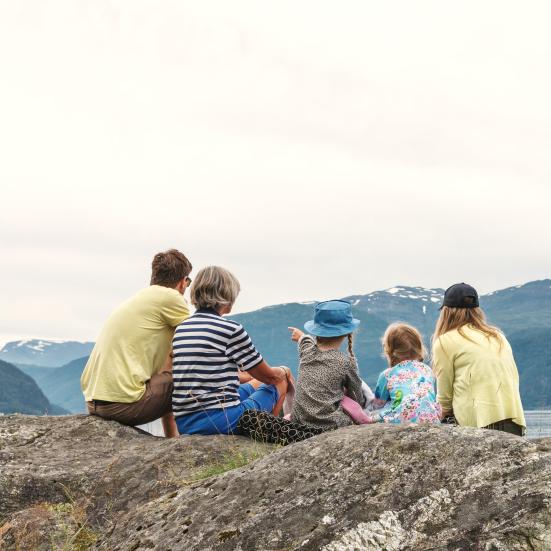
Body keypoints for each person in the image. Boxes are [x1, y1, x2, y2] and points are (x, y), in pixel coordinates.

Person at [81, 249, 192, 437]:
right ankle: (195, 440)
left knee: (172, 370)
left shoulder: (141, 298)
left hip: (94, 403)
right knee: (188, 377)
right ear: (182, 281)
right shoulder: (171, 298)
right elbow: (201, 338)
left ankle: (173, 439)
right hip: (123, 405)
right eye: (188, 282)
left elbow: (169, 364)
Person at [172, 266, 292, 436]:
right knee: (280, 379)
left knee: (256, 383)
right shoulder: (230, 329)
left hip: (185, 422)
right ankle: (269, 438)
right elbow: (269, 376)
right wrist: (284, 371)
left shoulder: (182, 328)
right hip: (221, 420)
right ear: (227, 296)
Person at [432, 282, 526, 436]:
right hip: (513, 421)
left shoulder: (445, 341)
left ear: (446, 312)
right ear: (476, 310)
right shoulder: (498, 336)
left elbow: (445, 399)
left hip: (477, 423)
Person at [288, 300, 366, 430]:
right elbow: (357, 396)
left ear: (316, 330)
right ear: (347, 332)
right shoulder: (346, 362)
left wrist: (300, 335)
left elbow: (305, 340)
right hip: (330, 425)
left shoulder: (307, 351)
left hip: (298, 421)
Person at [367, 323, 441, 424]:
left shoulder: (387, 375)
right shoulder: (427, 370)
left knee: (381, 409)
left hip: (400, 421)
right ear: (419, 346)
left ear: (390, 350)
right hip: (431, 420)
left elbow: (378, 404)